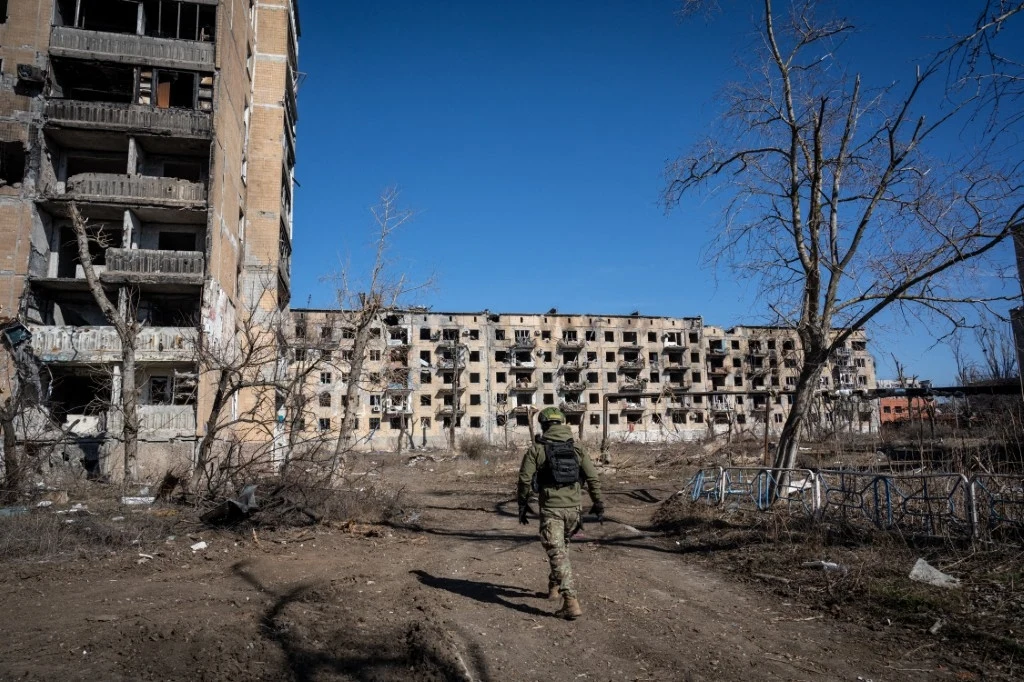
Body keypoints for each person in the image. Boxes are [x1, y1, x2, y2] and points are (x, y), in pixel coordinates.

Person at [517, 407, 604, 620]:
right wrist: (598, 502)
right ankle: (554, 586)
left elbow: (525, 480)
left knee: (557, 552)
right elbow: (592, 478)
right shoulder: (577, 448)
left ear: (543, 425)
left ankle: (570, 601)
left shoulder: (537, 449)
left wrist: (522, 503)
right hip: (574, 511)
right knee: (561, 549)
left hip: (551, 509)